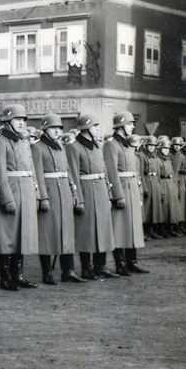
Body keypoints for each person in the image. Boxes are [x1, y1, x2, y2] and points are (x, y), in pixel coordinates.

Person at [0, 104, 40, 291]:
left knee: (22, 235)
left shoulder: (24, 141)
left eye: (23, 120)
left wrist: (36, 193)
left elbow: (32, 170)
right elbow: (0, 171)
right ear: (7, 122)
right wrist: (6, 198)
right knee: (7, 236)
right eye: (17, 119)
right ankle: (5, 278)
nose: (21, 123)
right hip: (11, 191)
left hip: (26, 191)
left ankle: (18, 275)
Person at [31, 113, 84, 284]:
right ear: (45, 129)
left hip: (64, 195)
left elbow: (68, 172)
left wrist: (74, 193)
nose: (56, 131)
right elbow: (38, 174)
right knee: (47, 234)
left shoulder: (61, 146)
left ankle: (68, 270)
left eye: (59, 128)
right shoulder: (37, 147)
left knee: (67, 232)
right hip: (50, 192)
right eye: (53, 128)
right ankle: (47, 272)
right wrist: (42, 197)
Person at [65, 113, 115, 280]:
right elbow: (73, 174)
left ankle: (101, 266)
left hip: (100, 190)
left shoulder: (97, 145)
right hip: (86, 191)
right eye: (95, 126)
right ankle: (87, 268)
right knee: (87, 232)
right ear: (86, 128)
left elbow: (104, 170)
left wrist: (109, 193)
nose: (98, 130)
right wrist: (78, 199)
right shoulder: (74, 147)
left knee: (103, 230)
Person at [103, 111, 147, 275]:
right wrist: (117, 195)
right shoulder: (111, 145)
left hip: (132, 190)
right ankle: (120, 264)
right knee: (119, 228)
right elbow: (111, 171)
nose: (132, 126)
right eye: (129, 124)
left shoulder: (127, 144)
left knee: (133, 227)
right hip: (121, 189)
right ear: (121, 125)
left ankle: (132, 262)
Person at [139, 136, 165, 239]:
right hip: (147, 181)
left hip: (155, 183)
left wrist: (160, 187)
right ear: (145, 146)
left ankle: (152, 230)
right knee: (147, 208)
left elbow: (158, 174)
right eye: (150, 146)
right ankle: (144, 231)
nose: (151, 148)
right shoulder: (142, 156)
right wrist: (144, 187)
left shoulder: (156, 157)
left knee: (155, 208)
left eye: (153, 146)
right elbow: (141, 172)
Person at [156, 137, 182, 237]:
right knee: (164, 207)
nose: (166, 150)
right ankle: (162, 229)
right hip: (162, 183)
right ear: (160, 149)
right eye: (164, 148)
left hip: (170, 183)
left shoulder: (168, 159)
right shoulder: (158, 160)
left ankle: (170, 228)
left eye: (167, 148)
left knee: (171, 206)